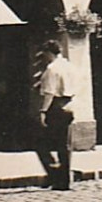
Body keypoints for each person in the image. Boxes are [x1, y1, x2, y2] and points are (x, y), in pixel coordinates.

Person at [33, 40, 77, 190]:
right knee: (64, 145)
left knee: (41, 143)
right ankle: (64, 180)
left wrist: (43, 111)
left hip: (55, 107)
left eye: (44, 54)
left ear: (48, 53)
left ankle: (54, 175)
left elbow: (49, 93)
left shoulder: (52, 69)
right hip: (69, 105)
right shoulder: (69, 66)